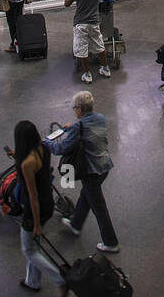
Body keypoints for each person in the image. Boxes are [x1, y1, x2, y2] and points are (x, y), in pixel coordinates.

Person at [44, 91, 119, 252]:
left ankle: (111, 242)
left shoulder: (79, 127)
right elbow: (88, 128)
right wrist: (72, 127)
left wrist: (45, 143)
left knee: (99, 207)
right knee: (87, 195)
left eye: (74, 108)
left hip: (90, 170)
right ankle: (75, 224)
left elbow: (61, 148)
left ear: (79, 108)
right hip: (104, 165)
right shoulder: (100, 117)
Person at [11, 120, 67, 297]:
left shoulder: (27, 164)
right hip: (48, 201)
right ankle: (33, 281)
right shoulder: (43, 147)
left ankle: (60, 279)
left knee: (29, 250)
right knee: (35, 246)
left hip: (35, 208)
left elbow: (32, 196)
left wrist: (36, 224)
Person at [64, 0, 109, 84]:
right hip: (94, 21)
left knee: (82, 49)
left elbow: (67, 3)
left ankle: (87, 74)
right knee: (100, 46)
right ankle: (106, 69)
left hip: (81, 23)